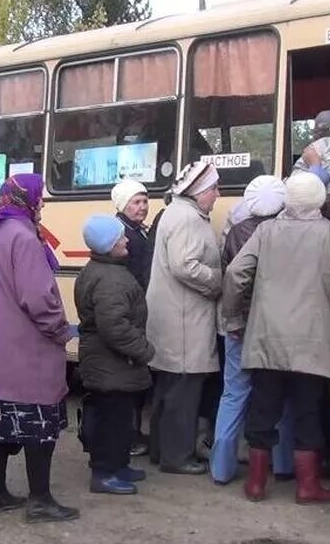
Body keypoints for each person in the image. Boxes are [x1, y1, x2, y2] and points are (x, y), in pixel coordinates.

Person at [0, 174, 79, 523]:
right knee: (38, 427)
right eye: (39, 196)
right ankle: (40, 500)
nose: (42, 202)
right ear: (26, 199)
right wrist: (61, 331)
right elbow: (38, 298)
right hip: (25, 354)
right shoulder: (25, 238)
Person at [224, 172, 330, 504]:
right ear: (320, 199)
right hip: (312, 339)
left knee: (263, 409)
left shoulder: (266, 230)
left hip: (267, 337)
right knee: (308, 411)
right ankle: (308, 487)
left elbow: (235, 273)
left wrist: (233, 317)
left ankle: (256, 484)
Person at [209, 175, 292, 485]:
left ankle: (221, 467)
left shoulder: (236, 232)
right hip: (275, 327)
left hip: (239, 328)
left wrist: (232, 321)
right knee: (279, 396)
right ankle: (283, 465)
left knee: (234, 394)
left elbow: (232, 277)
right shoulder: (287, 233)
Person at [146, 160, 222, 476]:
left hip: (176, 314)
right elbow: (184, 265)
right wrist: (218, 280)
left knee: (168, 386)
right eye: (214, 188)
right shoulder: (188, 218)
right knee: (184, 389)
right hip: (184, 317)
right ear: (200, 191)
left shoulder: (178, 212)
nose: (217, 195)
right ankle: (177, 457)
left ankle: (161, 451)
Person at [75, 215, 156, 495]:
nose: (125, 240)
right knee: (111, 420)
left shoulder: (103, 270)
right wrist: (144, 350)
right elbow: (114, 327)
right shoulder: (111, 279)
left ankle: (118, 464)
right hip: (111, 363)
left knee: (120, 419)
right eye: (120, 237)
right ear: (109, 245)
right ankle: (104, 472)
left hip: (110, 363)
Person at [109, 179, 153, 457]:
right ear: (123, 205)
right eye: (136, 202)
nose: (142, 207)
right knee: (128, 382)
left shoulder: (137, 231)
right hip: (131, 314)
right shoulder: (122, 235)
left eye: (145, 201)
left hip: (140, 310)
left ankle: (133, 433)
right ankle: (129, 436)